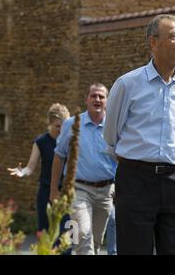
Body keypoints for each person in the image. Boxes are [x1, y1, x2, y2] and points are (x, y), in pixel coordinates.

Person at [104, 14, 175, 255]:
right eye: (174, 36)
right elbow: (110, 135)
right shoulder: (127, 84)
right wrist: (138, 164)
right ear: (153, 43)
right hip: (136, 180)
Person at [50, 83, 117, 255]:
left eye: (101, 96)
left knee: (94, 241)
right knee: (82, 234)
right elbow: (59, 156)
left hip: (106, 191)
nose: (97, 99)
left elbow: (122, 158)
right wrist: (53, 191)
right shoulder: (72, 125)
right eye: (93, 95)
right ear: (86, 99)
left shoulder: (114, 125)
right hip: (79, 189)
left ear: (107, 101)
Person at [8, 103, 70, 232]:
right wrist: (22, 172)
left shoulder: (70, 140)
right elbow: (30, 167)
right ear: (50, 123)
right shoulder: (40, 141)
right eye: (58, 126)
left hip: (66, 192)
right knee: (45, 233)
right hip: (46, 192)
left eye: (64, 126)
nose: (61, 130)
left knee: (66, 233)